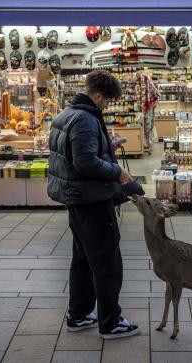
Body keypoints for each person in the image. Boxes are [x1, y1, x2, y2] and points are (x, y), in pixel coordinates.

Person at [47, 70, 140, 339]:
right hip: (92, 199)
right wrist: (116, 172)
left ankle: (78, 314)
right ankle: (110, 322)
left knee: (83, 259)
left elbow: (74, 153)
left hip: (76, 198)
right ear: (97, 95)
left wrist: (107, 144)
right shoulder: (86, 119)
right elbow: (85, 162)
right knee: (107, 261)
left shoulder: (67, 113)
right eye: (107, 100)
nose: (107, 105)